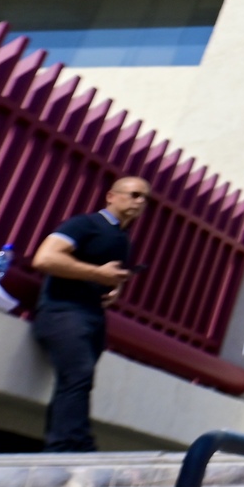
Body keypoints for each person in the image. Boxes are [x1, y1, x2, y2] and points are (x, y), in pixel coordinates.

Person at [29, 175, 152, 451]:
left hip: (92, 315)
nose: (140, 202)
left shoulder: (122, 239)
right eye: (134, 194)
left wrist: (113, 286)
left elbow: (103, 273)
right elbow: (45, 258)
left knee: (75, 381)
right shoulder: (85, 224)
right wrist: (97, 273)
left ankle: (63, 445)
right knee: (78, 375)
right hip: (62, 311)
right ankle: (73, 445)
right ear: (111, 196)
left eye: (145, 198)